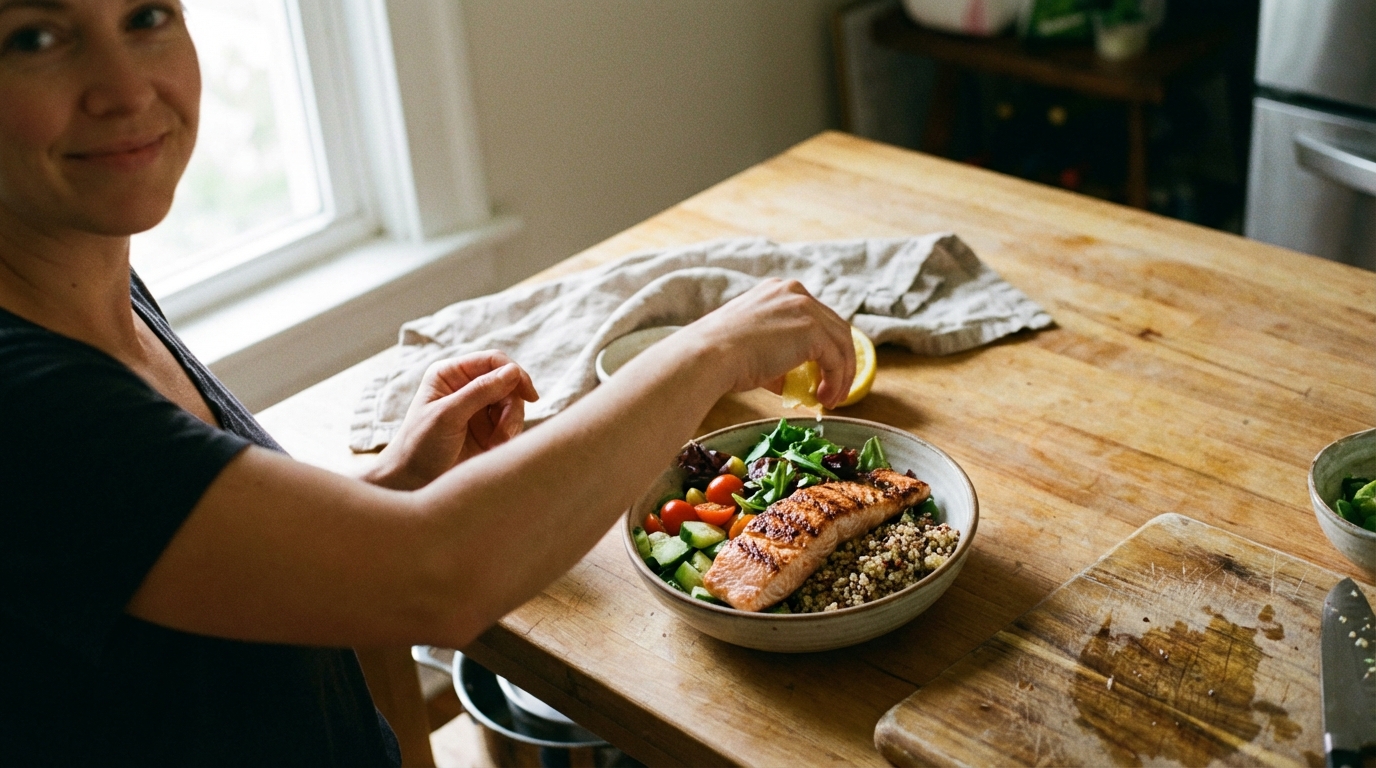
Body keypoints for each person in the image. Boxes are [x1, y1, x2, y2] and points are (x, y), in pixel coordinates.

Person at [0, 1, 856, 764]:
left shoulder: (89, 276)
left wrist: (392, 487)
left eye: (147, 16)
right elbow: (434, 575)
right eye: (34, 36)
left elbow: (207, 565)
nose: (124, 87)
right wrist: (705, 352)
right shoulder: (26, 398)